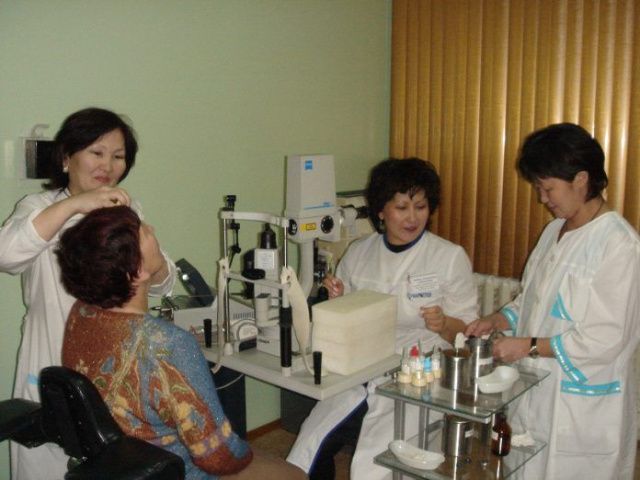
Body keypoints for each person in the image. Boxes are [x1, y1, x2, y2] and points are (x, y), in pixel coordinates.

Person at [55, 206, 306, 480]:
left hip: (114, 463)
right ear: (137, 271)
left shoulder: (81, 313)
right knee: (294, 474)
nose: (153, 230)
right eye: (145, 232)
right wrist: (245, 453)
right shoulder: (168, 344)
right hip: (174, 471)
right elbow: (219, 458)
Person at [0, 107, 177, 480]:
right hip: (52, 363)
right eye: (97, 152)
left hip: (115, 367)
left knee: (112, 466)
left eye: (118, 156)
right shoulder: (38, 208)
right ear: (67, 157)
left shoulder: (127, 210)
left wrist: (155, 261)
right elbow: (7, 256)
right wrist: (75, 205)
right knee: (46, 465)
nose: (107, 166)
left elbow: (163, 282)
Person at [465, 123, 640, 479]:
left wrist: (527, 346)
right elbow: (534, 301)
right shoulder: (553, 231)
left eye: (548, 188)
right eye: (539, 188)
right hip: (538, 392)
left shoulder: (619, 245)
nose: (542, 199)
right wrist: (499, 319)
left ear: (581, 179)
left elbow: (605, 339)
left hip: (582, 405)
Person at [287, 158, 478, 480]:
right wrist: (339, 299)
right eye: (402, 207)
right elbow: (349, 317)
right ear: (380, 211)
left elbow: (467, 335)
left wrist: (445, 323)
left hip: (417, 372)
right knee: (309, 446)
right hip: (362, 365)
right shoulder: (360, 251)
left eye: (421, 207)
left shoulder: (448, 256)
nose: (413, 217)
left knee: (372, 466)